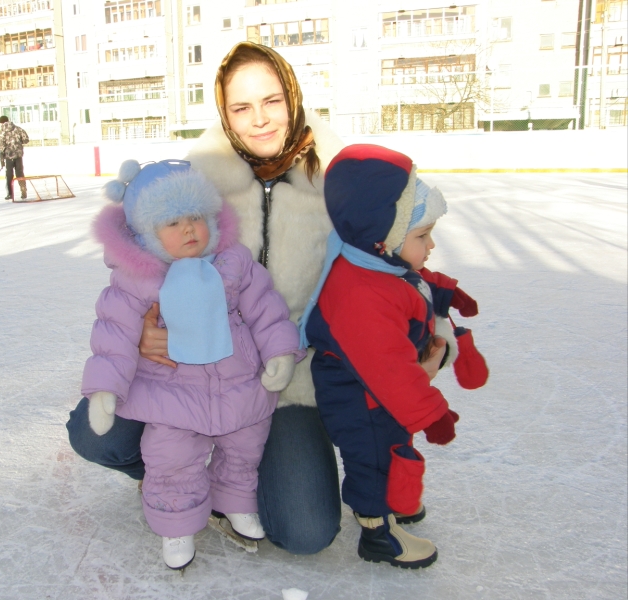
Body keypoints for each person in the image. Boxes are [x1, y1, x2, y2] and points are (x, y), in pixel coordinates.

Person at [66, 42, 440, 554]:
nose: (259, 119)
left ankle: (236, 479)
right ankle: (176, 479)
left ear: (293, 97)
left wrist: (428, 336)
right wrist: (138, 339)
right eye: (241, 107)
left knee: (305, 531)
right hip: (187, 371)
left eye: (271, 101)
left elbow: (396, 257)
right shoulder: (195, 178)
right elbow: (137, 266)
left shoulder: (342, 181)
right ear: (224, 113)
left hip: (293, 378)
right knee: (96, 435)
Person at [82, 158, 304, 569]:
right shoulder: (136, 281)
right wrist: (104, 389)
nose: (188, 230)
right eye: (172, 222)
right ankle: (177, 522)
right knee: (171, 459)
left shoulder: (234, 262)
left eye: (195, 217)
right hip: (172, 395)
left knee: (245, 449)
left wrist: (280, 353)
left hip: (239, 387)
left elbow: (267, 310)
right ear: (145, 233)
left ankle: (234, 501)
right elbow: (112, 334)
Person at [300, 144, 489, 569]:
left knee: (393, 449)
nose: (432, 244)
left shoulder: (378, 264)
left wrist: (446, 291)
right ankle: (378, 533)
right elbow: (389, 371)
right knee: (376, 461)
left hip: (378, 398)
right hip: (361, 402)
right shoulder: (359, 292)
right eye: (422, 236)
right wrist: (432, 414)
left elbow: (412, 282)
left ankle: (394, 504)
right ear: (383, 235)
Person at [0, 115, 29, 200]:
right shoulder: (18, 129)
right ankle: (23, 190)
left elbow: (1, 147)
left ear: (1, 123)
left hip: (9, 156)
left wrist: (1, 160)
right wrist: (18, 143)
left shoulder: (3, 132)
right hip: (18, 155)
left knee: (9, 175)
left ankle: (10, 194)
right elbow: (26, 139)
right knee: (20, 173)